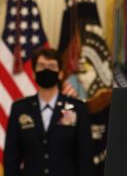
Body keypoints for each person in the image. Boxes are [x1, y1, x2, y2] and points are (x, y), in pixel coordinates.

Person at [4, 48, 94, 176]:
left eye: (52, 66)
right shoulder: (20, 109)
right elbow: (11, 159)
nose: (46, 70)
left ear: (60, 74)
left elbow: (85, 157)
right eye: (41, 66)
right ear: (34, 73)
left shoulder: (78, 109)